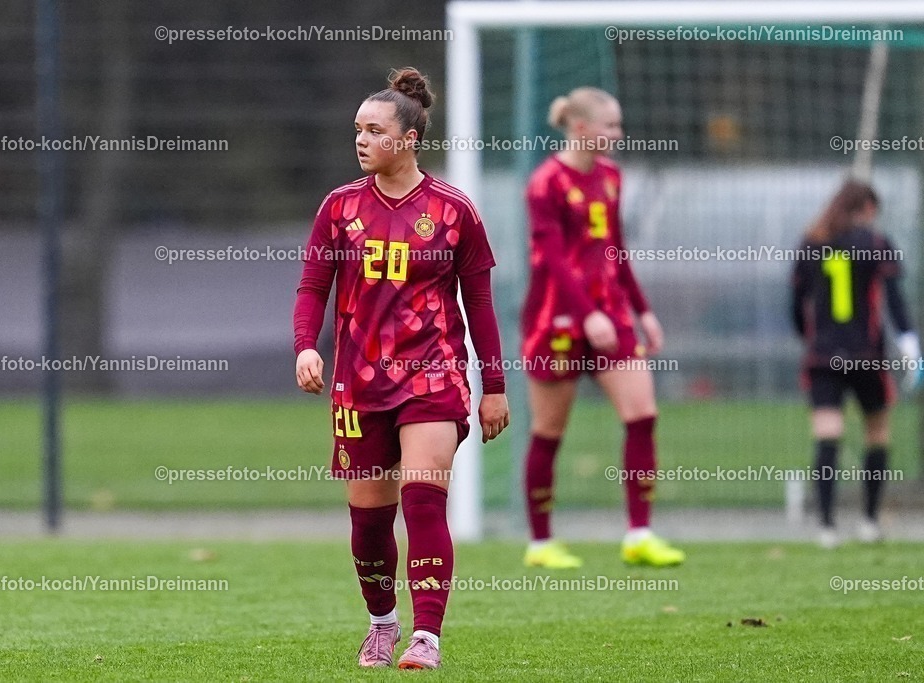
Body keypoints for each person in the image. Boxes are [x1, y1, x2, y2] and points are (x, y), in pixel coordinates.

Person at [293, 67, 510, 670]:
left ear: (408, 138)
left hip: (432, 376)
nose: (360, 140)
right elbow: (313, 287)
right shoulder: (339, 209)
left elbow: (481, 304)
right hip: (359, 381)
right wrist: (306, 346)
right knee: (368, 522)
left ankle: (427, 637)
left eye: (373, 130)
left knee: (425, 498)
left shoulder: (453, 211)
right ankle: (383, 624)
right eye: (356, 130)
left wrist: (493, 386)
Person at [519, 87, 684, 569]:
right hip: (557, 321)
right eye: (610, 125)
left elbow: (615, 247)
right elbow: (549, 258)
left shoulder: (611, 176)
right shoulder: (545, 183)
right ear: (581, 128)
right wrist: (584, 312)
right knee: (549, 431)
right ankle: (541, 543)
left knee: (642, 415)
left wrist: (641, 308)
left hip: (610, 314)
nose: (618, 134)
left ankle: (639, 532)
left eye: (618, 125)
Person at [791, 179, 920, 548]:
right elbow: (894, 302)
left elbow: (796, 304)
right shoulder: (877, 244)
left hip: (822, 355)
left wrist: (810, 338)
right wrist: (910, 344)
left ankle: (827, 527)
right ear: (866, 208)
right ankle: (868, 521)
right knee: (877, 431)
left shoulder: (810, 243)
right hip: (866, 356)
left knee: (827, 433)